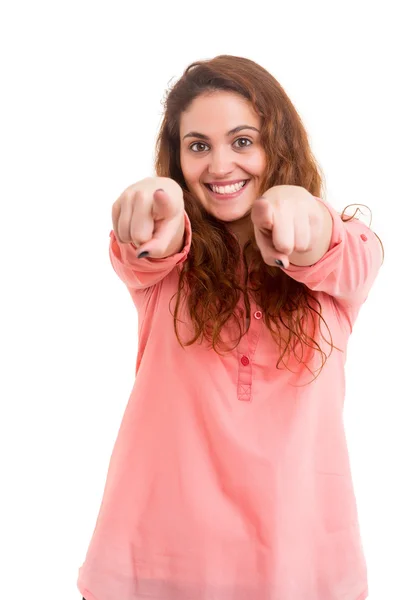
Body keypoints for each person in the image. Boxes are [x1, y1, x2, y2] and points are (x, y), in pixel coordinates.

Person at [77, 55, 384, 600]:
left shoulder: (347, 258)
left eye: (243, 141)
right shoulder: (163, 270)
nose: (220, 165)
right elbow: (145, 245)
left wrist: (297, 210)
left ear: (278, 144)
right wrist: (157, 206)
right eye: (199, 146)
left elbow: (332, 246)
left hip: (297, 570)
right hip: (152, 566)